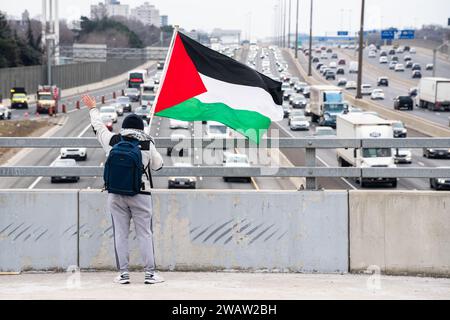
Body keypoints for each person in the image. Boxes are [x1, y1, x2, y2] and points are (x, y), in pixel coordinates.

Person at [82, 95, 164, 285]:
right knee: (144, 233)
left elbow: (98, 127)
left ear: (124, 127)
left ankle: (123, 274)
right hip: (141, 194)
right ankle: (150, 274)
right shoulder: (146, 142)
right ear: (141, 129)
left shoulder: (112, 140)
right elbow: (158, 165)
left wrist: (93, 108)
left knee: (120, 234)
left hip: (115, 193)